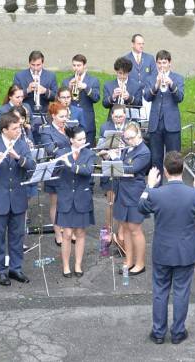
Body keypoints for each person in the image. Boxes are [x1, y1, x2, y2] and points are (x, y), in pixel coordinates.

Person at [140, 151, 195, 345]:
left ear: (164, 170)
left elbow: (141, 206)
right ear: (182, 169)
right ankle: (178, 332)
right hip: (185, 251)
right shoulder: (194, 194)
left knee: (160, 291)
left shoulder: (155, 194)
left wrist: (149, 185)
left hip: (162, 250)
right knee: (181, 291)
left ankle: (158, 332)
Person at [0, 113, 36, 285]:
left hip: (18, 197)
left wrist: (18, 158)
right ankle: (0, 270)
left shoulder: (22, 144)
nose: (19, 130)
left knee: (17, 236)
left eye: (19, 127)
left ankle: (16, 269)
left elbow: (32, 165)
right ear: (4, 130)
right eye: (15, 128)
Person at [109, 121, 151, 276]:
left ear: (139, 134)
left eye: (131, 138)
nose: (129, 141)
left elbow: (131, 169)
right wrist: (117, 154)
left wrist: (115, 159)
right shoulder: (128, 148)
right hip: (123, 191)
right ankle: (129, 260)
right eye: (126, 138)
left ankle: (140, 264)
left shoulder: (144, 151)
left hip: (134, 193)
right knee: (125, 228)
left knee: (135, 229)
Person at [53, 129, 97, 277]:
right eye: (79, 139)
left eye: (84, 139)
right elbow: (54, 173)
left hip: (82, 198)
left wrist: (70, 165)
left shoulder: (89, 154)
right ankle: (66, 266)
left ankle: (78, 265)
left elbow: (88, 171)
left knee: (80, 233)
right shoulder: (61, 153)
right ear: (71, 140)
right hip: (66, 197)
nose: (83, 142)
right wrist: (58, 163)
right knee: (66, 233)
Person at [144, 49, 185, 172]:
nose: (162, 66)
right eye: (159, 63)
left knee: (174, 159)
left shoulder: (177, 78)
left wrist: (171, 84)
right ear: (156, 64)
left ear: (169, 63)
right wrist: (156, 85)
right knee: (156, 158)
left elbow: (180, 98)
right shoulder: (150, 78)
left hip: (172, 123)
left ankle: (174, 186)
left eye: (164, 62)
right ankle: (157, 187)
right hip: (155, 124)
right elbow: (147, 97)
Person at [38, 103, 73, 245]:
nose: (65, 119)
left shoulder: (69, 128)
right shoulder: (47, 131)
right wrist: (70, 152)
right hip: (56, 169)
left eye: (66, 116)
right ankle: (58, 233)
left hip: (69, 169)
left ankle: (68, 230)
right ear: (53, 116)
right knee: (56, 202)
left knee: (69, 201)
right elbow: (51, 149)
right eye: (62, 116)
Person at [98, 104, 130, 236]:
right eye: (116, 117)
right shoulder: (105, 127)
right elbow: (99, 149)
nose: (118, 119)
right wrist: (106, 153)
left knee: (122, 202)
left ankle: (121, 233)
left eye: (121, 116)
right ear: (111, 116)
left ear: (125, 115)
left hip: (125, 167)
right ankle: (108, 232)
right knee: (110, 202)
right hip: (110, 165)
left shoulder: (131, 127)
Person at [61, 54, 102, 146]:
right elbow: (61, 100)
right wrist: (69, 88)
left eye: (79, 65)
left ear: (84, 66)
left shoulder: (93, 81)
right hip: (71, 119)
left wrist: (86, 88)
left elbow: (96, 98)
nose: (76, 68)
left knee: (88, 148)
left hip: (87, 121)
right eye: (74, 65)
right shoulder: (66, 81)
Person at [13, 50, 59, 119]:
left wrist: (45, 91)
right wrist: (27, 90)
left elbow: (56, 97)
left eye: (38, 65)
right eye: (33, 65)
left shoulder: (51, 76)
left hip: (44, 113)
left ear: (43, 63)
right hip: (24, 113)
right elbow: (14, 96)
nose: (35, 68)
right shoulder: (19, 76)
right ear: (29, 63)